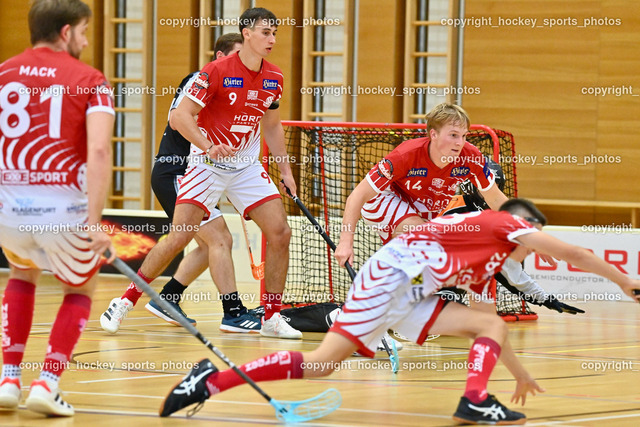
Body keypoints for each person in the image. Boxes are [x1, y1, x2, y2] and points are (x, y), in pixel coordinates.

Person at [159, 199, 640, 424]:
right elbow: (576, 254)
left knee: (488, 322)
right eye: (534, 235)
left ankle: (475, 400)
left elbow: (488, 327)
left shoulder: (488, 258)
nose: (534, 245)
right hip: (392, 278)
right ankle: (210, 382)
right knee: (322, 364)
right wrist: (624, 281)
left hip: (409, 290)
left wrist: (517, 374)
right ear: (524, 223)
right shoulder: (504, 224)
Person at [100, 7, 302, 339]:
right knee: (180, 236)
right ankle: (125, 301)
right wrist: (208, 146)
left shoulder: (274, 77)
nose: (272, 39)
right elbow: (180, 116)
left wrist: (285, 170)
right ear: (247, 34)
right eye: (266, 32)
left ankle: (271, 316)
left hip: (246, 167)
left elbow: (272, 125)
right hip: (207, 165)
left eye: (275, 33)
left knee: (280, 232)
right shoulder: (215, 71)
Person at [0, 0, 115, 416]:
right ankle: (47, 383)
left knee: (21, 274)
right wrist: (95, 221)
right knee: (81, 288)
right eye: (83, 31)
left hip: (11, 209)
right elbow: (99, 151)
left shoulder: (3, 73)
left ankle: (8, 379)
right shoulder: (91, 79)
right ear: (66, 32)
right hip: (63, 210)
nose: (85, 40)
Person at [334, 103, 509, 267]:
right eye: (453, 135)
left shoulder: (471, 157)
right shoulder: (405, 155)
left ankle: (390, 281)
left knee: (426, 258)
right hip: (383, 199)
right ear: (434, 134)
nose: (460, 142)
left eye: (464, 136)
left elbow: (494, 197)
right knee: (424, 237)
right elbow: (357, 195)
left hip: (421, 207)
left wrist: (521, 228)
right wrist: (345, 242)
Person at [440, 159, 585, 315]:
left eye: (496, 187)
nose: (489, 193)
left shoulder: (494, 225)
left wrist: (547, 300)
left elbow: (510, 273)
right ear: (470, 186)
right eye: (484, 187)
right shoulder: (449, 207)